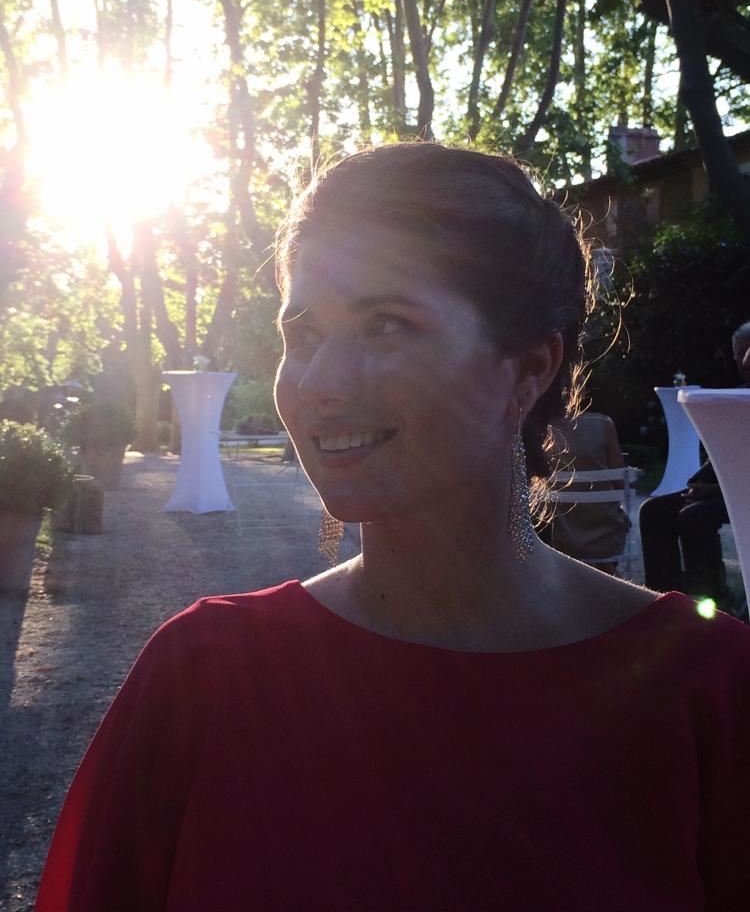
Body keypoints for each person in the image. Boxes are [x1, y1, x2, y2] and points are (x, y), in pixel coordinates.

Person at [36, 144, 750, 911]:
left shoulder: (707, 692)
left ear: (528, 368)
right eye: (303, 336)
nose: (319, 383)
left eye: (386, 325)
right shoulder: (200, 681)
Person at [639, 321, 750, 614]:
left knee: (694, 517)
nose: (743, 360)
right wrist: (697, 483)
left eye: (747, 352)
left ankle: (715, 605)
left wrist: (712, 490)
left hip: (742, 490)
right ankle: (665, 604)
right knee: (654, 511)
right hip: (724, 487)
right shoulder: (738, 395)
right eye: (740, 353)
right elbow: (719, 450)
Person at [542, 411, 629, 574]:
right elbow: (621, 482)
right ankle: (607, 575)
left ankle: (592, 576)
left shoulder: (544, 426)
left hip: (562, 535)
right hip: (605, 531)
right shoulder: (604, 424)